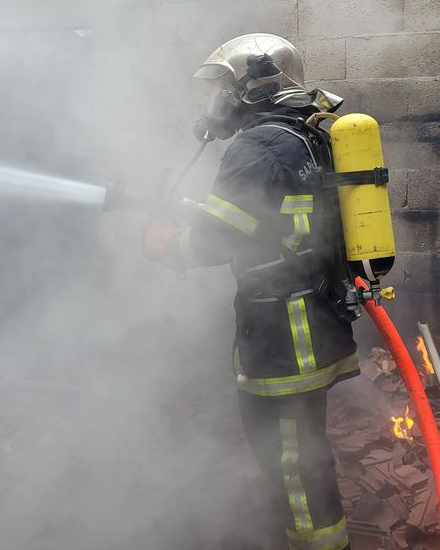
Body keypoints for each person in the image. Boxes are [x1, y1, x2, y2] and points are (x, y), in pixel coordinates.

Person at [142, 33, 358, 550]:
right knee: (298, 451)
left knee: (293, 459)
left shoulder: (257, 144)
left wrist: (167, 244)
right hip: (314, 317)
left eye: (223, 88)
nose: (216, 103)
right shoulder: (304, 134)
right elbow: (276, 219)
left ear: (255, 85)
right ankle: (294, 528)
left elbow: (220, 239)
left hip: (283, 332)